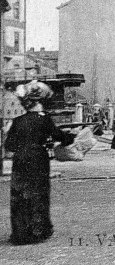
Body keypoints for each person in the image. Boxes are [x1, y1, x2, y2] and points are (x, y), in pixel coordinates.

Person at [4, 81, 76, 245]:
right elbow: (59, 136)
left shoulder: (17, 121)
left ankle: (20, 233)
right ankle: (38, 231)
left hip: (20, 160)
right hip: (38, 159)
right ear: (40, 102)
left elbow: (10, 146)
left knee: (20, 194)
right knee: (38, 193)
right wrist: (72, 137)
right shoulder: (44, 120)